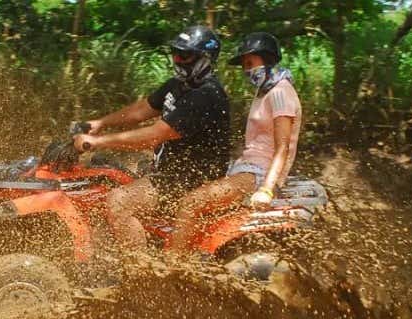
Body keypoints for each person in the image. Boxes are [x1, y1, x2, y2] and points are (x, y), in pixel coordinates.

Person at [71, 25, 232, 252]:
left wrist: (98, 141)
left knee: (119, 202)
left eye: (184, 55)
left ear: (204, 59)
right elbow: (140, 110)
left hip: (191, 180)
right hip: (168, 172)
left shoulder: (206, 94)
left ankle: (141, 275)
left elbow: (154, 135)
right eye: (175, 53)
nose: (177, 60)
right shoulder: (178, 86)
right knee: (105, 177)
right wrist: (100, 123)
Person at [168, 32, 303, 253]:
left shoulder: (280, 93)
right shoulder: (266, 92)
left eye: (250, 63)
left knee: (191, 203)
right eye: (244, 65)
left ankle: (169, 269)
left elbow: (283, 147)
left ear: (267, 59)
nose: (247, 70)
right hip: (245, 167)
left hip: (257, 173)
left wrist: (268, 189)